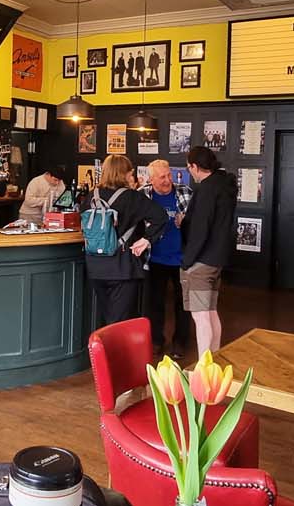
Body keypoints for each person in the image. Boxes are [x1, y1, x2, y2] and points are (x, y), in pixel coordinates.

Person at [84, 155, 166, 327]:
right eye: (130, 172)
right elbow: (161, 217)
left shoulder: (92, 196)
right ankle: (113, 345)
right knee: (119, 321)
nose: (132, 175)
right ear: (124, 173)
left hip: (95, 266)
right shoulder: (132, 197)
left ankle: (104, 344)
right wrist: (146, 240)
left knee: (107, 316)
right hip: (123, 267)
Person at [179, 146, 234, 358]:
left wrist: (187, 261)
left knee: (200, 317)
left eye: (188, 167)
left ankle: (204, 367)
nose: (189, 172)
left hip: (201, 262)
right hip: (217, 259)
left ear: (195, 166)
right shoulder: (224, 184)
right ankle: (214, 360)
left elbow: (200, 229)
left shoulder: (206, 189)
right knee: (211, 312)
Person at [142, 159, 192, 357]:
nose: (167, 180)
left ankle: (180, 342)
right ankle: (156, 341)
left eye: (169, 175)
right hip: (154, 258)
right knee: (155, 304)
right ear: (151, 179)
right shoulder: (143, 195)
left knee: (183, 304)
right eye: (162, 177)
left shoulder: (185, 191)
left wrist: (187, 221)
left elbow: (199, 222)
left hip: (182, 258)